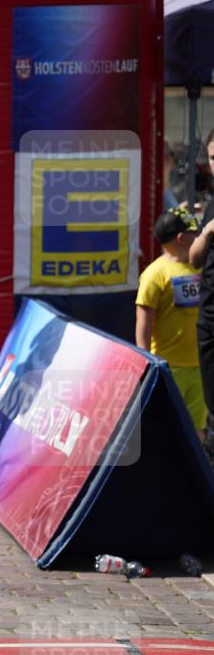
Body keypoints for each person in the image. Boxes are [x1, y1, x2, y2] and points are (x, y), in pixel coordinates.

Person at [136, 208, 206, 438]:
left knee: (197, 426)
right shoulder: (155, 274)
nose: (199, 236)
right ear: (181, 238)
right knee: (167, 426)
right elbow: (144, 319)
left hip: (198, 364)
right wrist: (145, 359)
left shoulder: (200, 267)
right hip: (169, 366)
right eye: (195, 232)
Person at [189, 128, 214, 459]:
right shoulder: (211, 205)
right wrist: (207, 231)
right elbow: (195, 259)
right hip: (208, 317)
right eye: (212, 158)